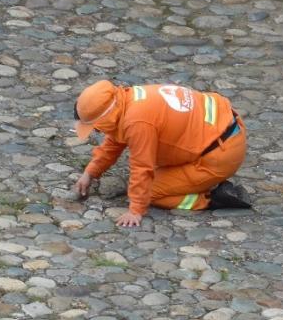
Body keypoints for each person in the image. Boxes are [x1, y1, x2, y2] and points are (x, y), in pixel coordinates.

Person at [72, 80, 251, 227]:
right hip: (224, 126)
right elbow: (114, 142)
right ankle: (196, 181)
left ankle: (210, 199)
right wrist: (90, 173)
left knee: (151, 192)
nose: (97, 131)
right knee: (149, 182)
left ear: (105, 119)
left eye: (96, 127)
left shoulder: (137, 122)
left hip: (221, 154)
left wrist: (136, 210)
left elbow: (142, 167)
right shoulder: (127, 99)